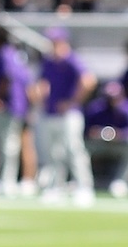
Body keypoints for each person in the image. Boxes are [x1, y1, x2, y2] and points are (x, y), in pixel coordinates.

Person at [35, 26, 95, 203]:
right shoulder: (49, 62)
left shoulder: (72, 60)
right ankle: (55, 186)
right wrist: (40, 98)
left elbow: (88, 81)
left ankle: (84, 187)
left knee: (73, 149)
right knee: (52, 152)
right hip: (50, 113)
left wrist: (72, 102)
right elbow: (42, 83)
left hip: (69, 114)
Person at [84, 80, 128, 198]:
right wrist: (96, 132)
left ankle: (121, 183)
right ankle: (84, 184)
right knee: (79, 148)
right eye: (109, 97)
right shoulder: (96, 108)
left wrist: (120, 134)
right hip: (99, 144)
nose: (112, 101)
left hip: (121, 145)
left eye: (115, 97)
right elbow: (86, 129)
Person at [0, 30, 34, 196]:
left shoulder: (4, 54)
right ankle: (6, 179)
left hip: (8, 105)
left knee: (7, 145)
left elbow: (7, 77)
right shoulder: (18, 56)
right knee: (11, 145)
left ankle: (6, 180)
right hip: (19, 106)